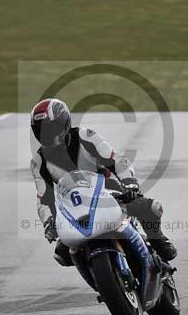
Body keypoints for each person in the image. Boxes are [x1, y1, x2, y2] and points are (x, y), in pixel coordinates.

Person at [29, 98, 178, 266]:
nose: (47, 135)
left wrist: (130, 183)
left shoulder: (85, 136)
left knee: (151, 208)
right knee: (62, 254)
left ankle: (157, 240)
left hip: (109, 194)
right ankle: (97, 279)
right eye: (41, 131)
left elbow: (116, 161)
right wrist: (48, 221)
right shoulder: (38, 161)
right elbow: (44, 198)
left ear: (64, 124)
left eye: (51, 129)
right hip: (75, 207)